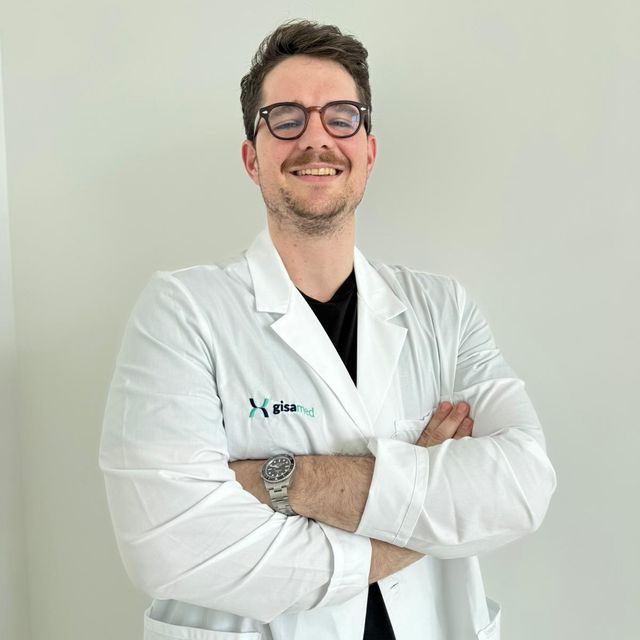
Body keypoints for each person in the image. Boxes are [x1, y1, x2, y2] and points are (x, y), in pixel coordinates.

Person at [99, 19, 557, 640]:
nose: (316, 138)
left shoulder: (443, 310)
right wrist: (425, 512)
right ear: (252, 159)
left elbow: (521, 488)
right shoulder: (183, 313)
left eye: (341, 117)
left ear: (368, 151)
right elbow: (171, 546)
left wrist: (282, 479)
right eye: (286, 119)